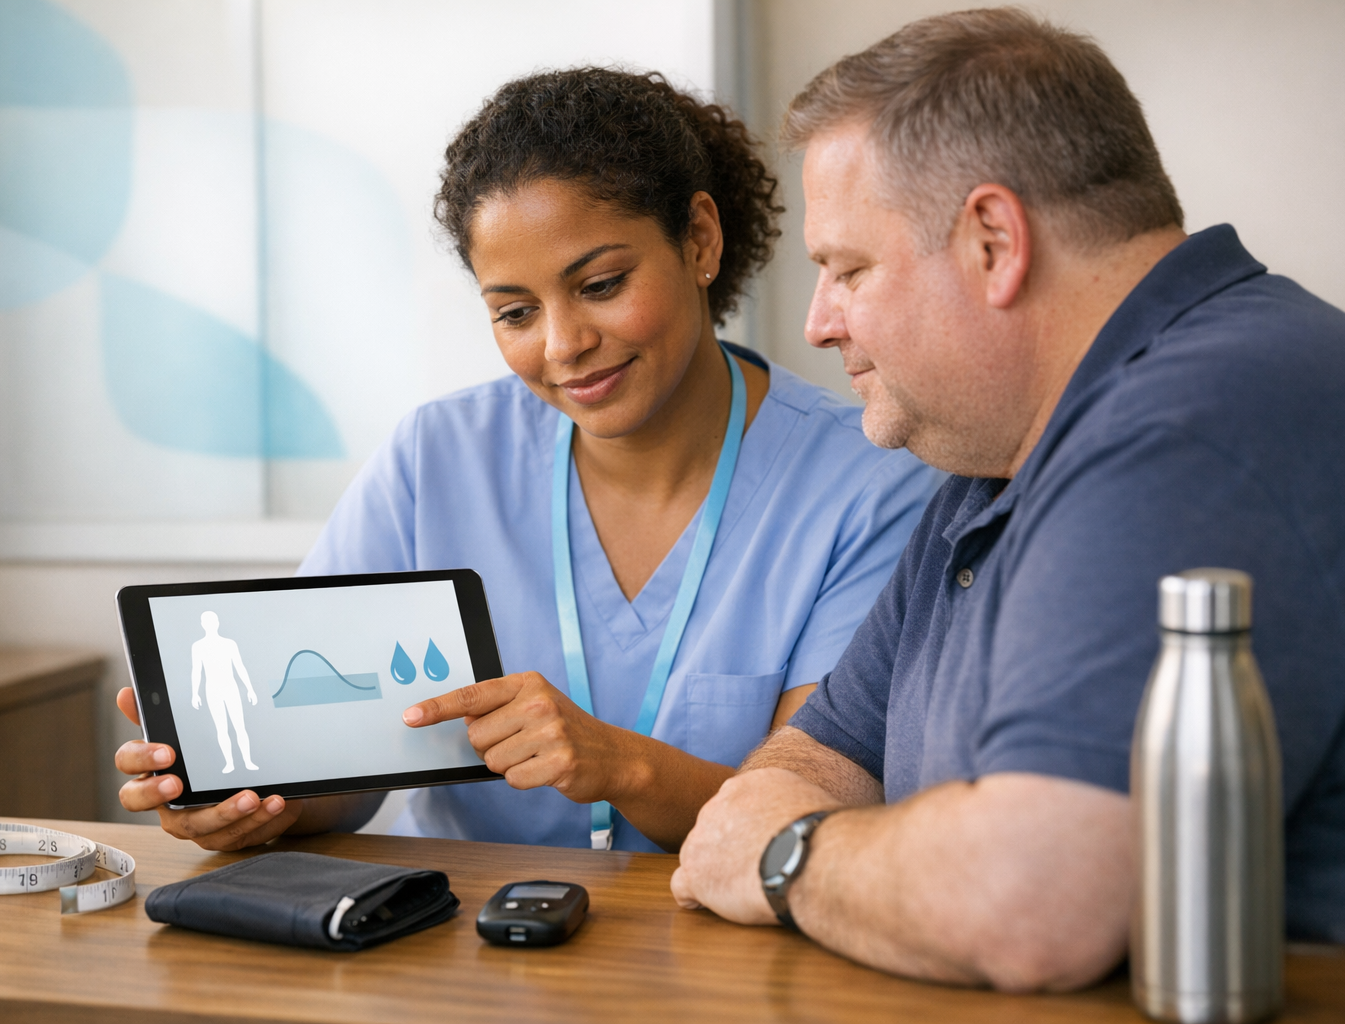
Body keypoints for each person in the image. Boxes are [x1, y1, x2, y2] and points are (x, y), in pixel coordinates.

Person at [671, 7, 1345, 990]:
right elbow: (809, 763)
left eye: (848, 269)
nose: (818, 321)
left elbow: (1027, 902)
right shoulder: (996, 459)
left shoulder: (1191, 429)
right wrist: (819, 831)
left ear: (994, 241)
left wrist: (787, 857)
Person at [113, 68, 941, 854]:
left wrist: (619, 765)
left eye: (602, 284)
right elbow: (341, 770)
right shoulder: (435, 459)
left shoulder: (868, 485)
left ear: (699, 239)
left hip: (724, 952)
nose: (564, 345)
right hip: (456, 944)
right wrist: (254, 806)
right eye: (514, 311)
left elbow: (820, 816)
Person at [189, 611, 259, 774]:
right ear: (202, 624)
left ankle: (247, 761)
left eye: (212, 621)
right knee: (221, 728)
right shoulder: (198, 646)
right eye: (207, 621)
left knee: (240, 726)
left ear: (218, 623)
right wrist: (195, 693)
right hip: (212, 690)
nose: (210, 624)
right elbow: (196, 671)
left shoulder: (229, 644)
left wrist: (250, 689)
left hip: (231, 687)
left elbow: (240, 666)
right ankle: (230, 763)